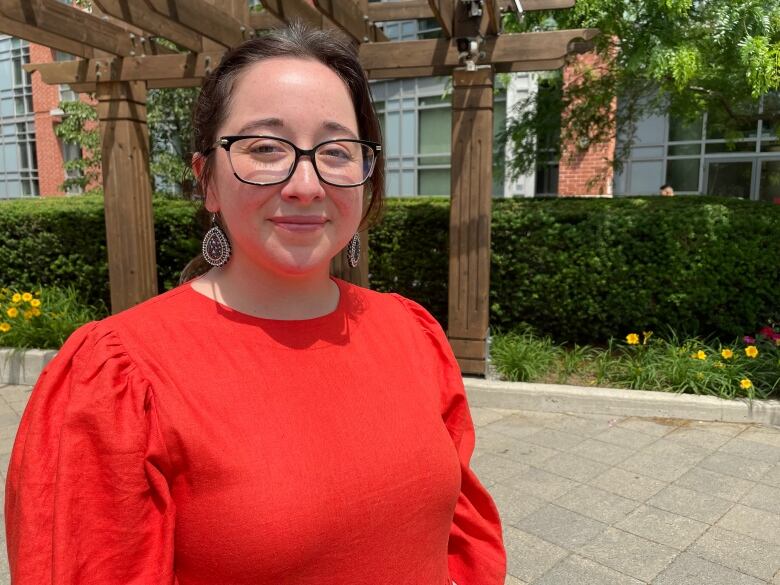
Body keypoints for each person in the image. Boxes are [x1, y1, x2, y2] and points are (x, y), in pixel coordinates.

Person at [5, 23, 506, 585]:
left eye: (336, 150)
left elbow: (460, 540)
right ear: (207, 181)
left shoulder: (411, 332)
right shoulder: (118, 375)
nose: (305, 183)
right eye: (266, 148)